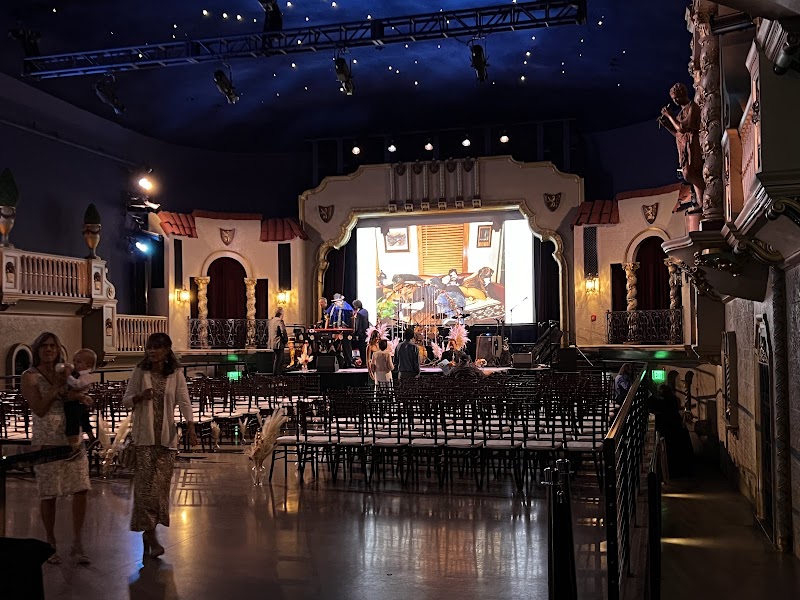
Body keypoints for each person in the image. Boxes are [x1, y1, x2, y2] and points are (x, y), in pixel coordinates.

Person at [123, 333, 197, 560]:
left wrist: (191, 427)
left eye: (156, 348)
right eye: (149, 348)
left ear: (166, 350)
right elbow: (125, 400)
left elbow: (184, 400)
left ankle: (151, 531)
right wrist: (139, 397)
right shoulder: (140, 372)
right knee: (145, 488)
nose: (152, 352)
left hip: (166, 439)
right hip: (144, 438)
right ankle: (150, 535)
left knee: (160, 489)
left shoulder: (175, 374)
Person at [21, 332, 92, 565]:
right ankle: (50, 542)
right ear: (37, 350)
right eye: (44, 346)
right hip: (47, 437)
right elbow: (39, 408)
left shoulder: (67, 371)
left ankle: (78, 542)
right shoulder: (29, 376)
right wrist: (57, 388)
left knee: (81, 488)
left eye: (53, 346)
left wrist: (81, 397)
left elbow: (77, 392)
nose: (49, 350)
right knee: (49, 493)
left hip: (71, 437)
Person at [660, 82, 705, 210]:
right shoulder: (680, 113)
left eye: (676, 98)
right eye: (673, 99)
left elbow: (682, 128)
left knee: (689, 173)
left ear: (682, 94)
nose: (675, 101)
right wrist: (667, 125)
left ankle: (707, 191)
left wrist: (669, 116)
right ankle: (701, 202)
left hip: (693, 145)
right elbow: (677, 134)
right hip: (684, 147)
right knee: (692, 174)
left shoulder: (692, 107)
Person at [650, 385, 694, 477]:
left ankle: (673, 471)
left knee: (671, 449)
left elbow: (661, 408)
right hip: (675, 426)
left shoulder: (665, 400)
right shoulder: (674, 399)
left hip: (669, 427)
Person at [62, 348, 98, 458]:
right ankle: (92, 438)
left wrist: (68, 376)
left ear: (88, 365)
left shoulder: (87, 376)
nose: (75, 364)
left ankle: (75, 448)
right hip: (78, 403)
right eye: (74, 361)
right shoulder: (78, 373)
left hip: (76, 403)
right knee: (84, 422)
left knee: (72, 425)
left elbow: (77, 384)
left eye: (78, 361)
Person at [268, 307, 289, 375]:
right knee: (279, 361)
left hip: (273, 343)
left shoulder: (272, 321)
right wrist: (285, 340)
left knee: (279, 360)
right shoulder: (279, 321)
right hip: (278, 343)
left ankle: (277, 376)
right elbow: (283, 331)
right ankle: (276, 377)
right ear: (281, 314)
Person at [352, 299, 369, 368]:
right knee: (364, 349)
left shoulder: (359, 314)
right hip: (365, 333)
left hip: (360, 334)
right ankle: (365, 362)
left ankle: (363, 363)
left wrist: (355, 334)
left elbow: (358, 325)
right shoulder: (365, 311)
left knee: (361, 349)